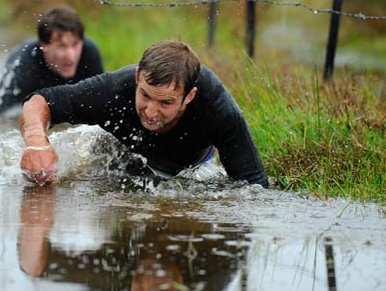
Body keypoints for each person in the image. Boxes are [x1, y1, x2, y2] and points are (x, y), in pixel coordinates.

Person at [19, 40, 268, 187]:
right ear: (138, 78)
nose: (150, 111)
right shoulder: (116, 89)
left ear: (188, 97)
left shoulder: (217, 110)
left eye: (166, 103)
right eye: (145, 95)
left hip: (186, 168)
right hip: (118, 153)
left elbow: (254, 188)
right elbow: (40, 102)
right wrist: (36, 142)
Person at [0, 5, 104, 117]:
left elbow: (101, 105)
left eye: (75, 44)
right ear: (44, 45)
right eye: (61, 46)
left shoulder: (90, 52)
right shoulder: (24, 66)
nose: (70, 56)